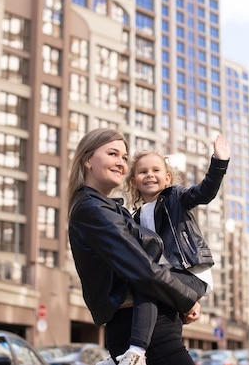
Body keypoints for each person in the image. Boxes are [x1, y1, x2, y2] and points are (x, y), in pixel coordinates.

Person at [68, 128, 202, 365]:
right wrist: (187, 298)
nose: (121, 163)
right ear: (88, 160)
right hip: (142, 331)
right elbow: (142, 268)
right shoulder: (93, 209)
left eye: (124, 157)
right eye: (112, 154)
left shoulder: (110, 209)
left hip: (152, 328)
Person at [102, 134, 229, 365]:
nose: (150, 175)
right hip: (166, 280)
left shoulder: (176, 198)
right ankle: (120, 354)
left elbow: (204, 192)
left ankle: (136, 351)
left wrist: (219, 163)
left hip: (191, 273)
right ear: (133, 182)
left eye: (156, 170)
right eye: (142, 172)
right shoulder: (136, 218)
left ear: (167, 177)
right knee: (147, 284)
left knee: (147, 282)